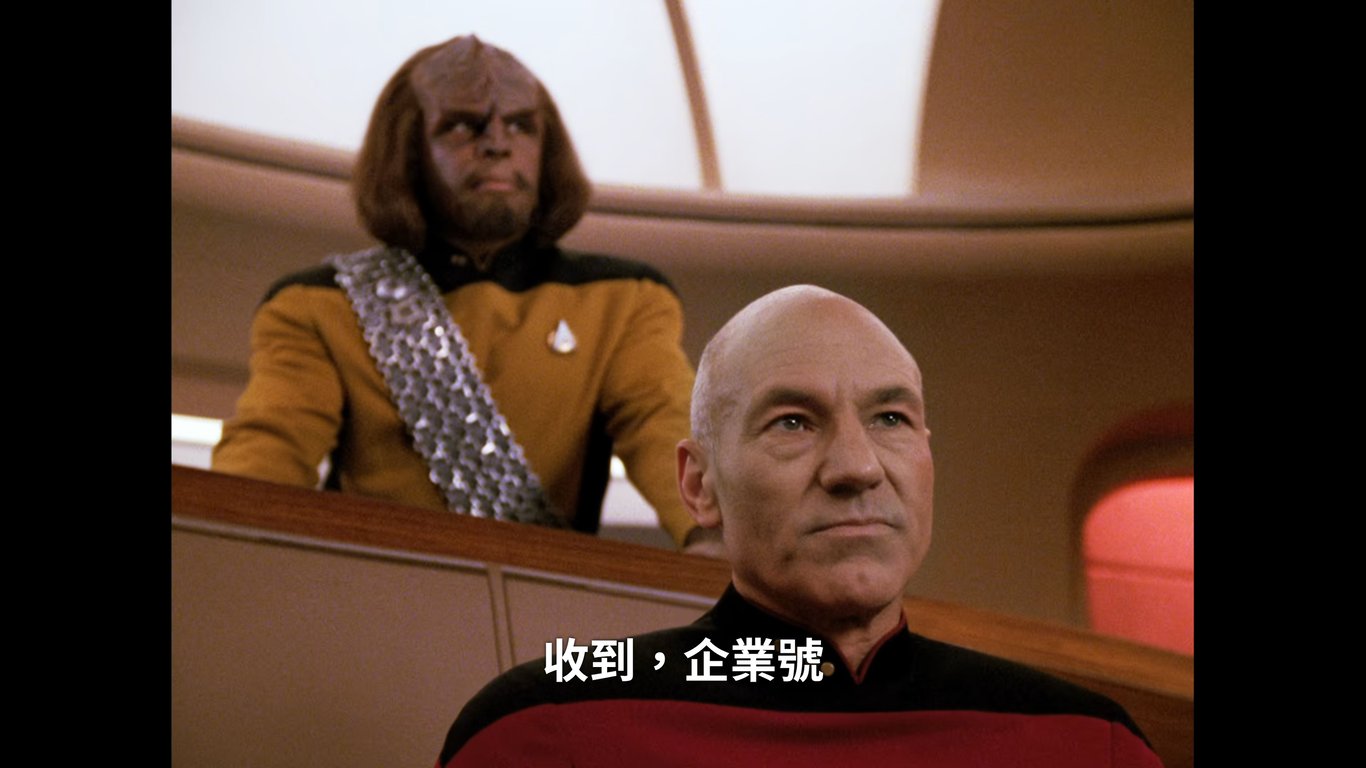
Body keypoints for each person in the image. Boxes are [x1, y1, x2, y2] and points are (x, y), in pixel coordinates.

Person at [434, 285, 1164, 767]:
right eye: (792, 422)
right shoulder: (546, 725)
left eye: (890, 418)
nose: (857, 467)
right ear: (699, 485)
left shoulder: (1087, 744)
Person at [212, 35, 718, 551]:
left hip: (542, 589)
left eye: (521, 125)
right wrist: (216, 536)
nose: (497, 144)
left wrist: (713, 537)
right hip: (372, 588)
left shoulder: (623, 298)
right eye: (462, 125)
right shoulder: (319, 305)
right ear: (407, 149)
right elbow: (268, 453)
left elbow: (664, 431)